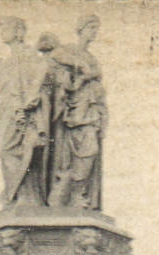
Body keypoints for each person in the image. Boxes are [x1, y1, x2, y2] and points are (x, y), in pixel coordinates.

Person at [0, 16, 53, 206]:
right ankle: (17, 195)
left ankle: (25, 195)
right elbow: (7, 86)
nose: (2, 32)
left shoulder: (29, 55)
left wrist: (30, 99)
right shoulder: (6, 61)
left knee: (16, 149)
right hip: (6, 110)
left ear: (19, 32)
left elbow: (40, 74)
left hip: (22, 112)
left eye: (6, 28)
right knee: (6, 150)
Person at [47, 15, 106, 210]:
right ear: (81, 29)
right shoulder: (71, 49)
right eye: (91, 28)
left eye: (96, 29)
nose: (94, 32)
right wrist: (79, 65)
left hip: (89, 109)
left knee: (90, 151)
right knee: (75, 153)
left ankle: (77, 193)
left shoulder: (92, 58)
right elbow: (55, 55)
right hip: (73, 112)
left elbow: (96, 75)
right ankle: (69, 194)